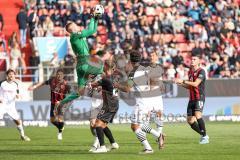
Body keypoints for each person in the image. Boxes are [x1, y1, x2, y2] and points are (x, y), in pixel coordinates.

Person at [114, 50, 162, 154]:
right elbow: (152, 82)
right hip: (148, 100)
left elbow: (127, 88)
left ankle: (149, 147)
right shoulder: (145, 69)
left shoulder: (133, 73)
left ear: (130, 60)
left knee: (135, 126)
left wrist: (117, 85)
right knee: (140, 125)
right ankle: (158, 136)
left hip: (142, 103)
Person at [56, 7, 104, 108]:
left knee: (80, 92)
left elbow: (93, 30)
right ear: (72, 28)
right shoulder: (75, 35)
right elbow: (91, 30)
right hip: (86, 62)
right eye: (76, 25)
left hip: (80, 65)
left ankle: (61, 103)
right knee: (102, 66)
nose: (78, 26)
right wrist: (92, 17)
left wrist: (96, 18)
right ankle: (95, 85)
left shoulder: (75, 37)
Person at [174, 52, 209, 144]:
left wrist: (183, 80)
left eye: (194, 59)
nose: (192, 61)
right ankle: (203, 133)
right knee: (190, 121)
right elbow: (190, 86)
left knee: (198, 115)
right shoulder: (190, 72)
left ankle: (205, 137)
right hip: (192, 99)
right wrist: (181, 84)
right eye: (192, 59)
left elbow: (196, 84)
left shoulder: (201, 71)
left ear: (199, 62)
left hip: (199, 97)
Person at [28, 69, 70, 140]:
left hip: (61, 103)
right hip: (53, 103)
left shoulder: (66, 84)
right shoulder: (52, 81)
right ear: (56, 75)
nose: (59, 76)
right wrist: (34, 87)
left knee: (60, 118)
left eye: (61, 74)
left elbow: (70, 94)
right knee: (52, 120)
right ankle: (61, 127)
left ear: (63, 76)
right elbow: (43, 83)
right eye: (58, 74)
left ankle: (60, 133)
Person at [90, 61, 119, 153]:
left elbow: (93, 85)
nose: (102, 67)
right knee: (103, 125)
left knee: (97, 124)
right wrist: (101, 87)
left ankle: (102, 147)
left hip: (109, 105)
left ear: (106, 67)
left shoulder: (105, 79)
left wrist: (90, 83)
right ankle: (113, 143)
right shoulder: (114, 78)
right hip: (114, 104)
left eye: (104, 66)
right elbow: (109, 88)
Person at [0, 69, 30, 141]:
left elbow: (17, 92)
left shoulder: (15, 84)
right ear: (7, 75)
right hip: (2, 105)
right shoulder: (2, 83)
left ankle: (23, 136)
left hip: (11, 106)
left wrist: (17, 96)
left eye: (13, 74)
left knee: (18, 121)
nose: (11, 75)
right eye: (10, 74)